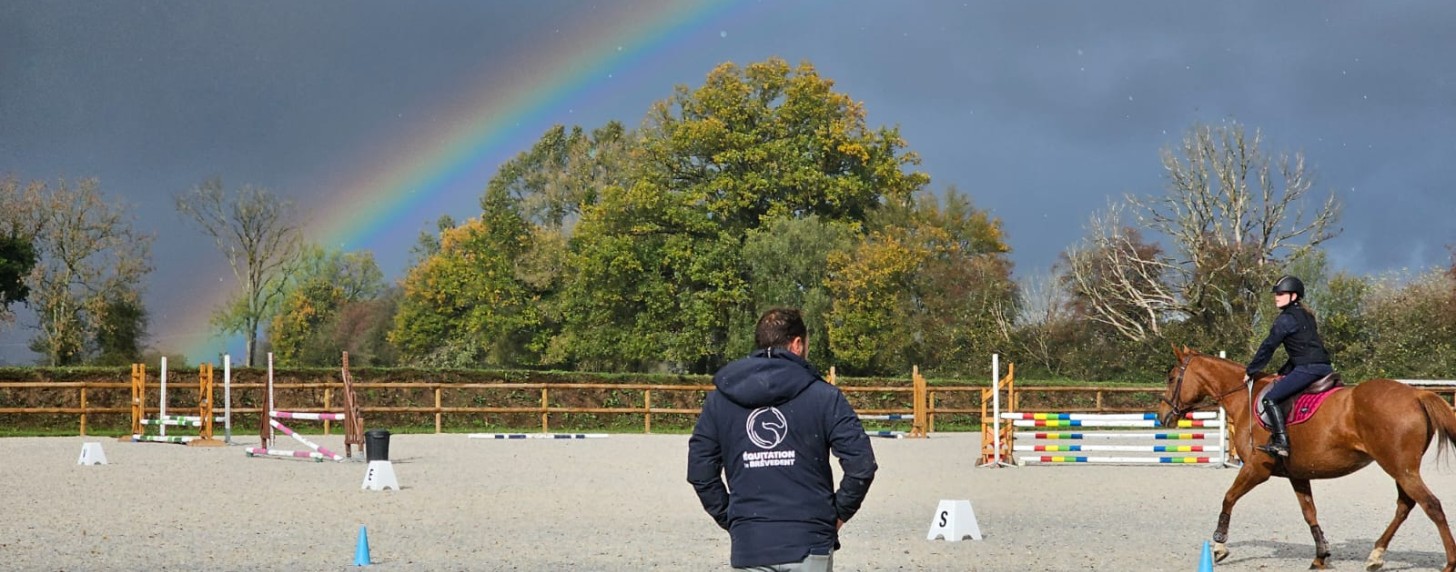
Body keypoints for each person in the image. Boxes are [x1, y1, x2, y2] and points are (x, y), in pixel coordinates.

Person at [687, 308, 877, 572]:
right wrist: (838, 514)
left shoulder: (720, 400)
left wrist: (732, 517)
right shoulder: (824, 396)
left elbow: (700, 472)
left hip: (751, 543)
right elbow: (862, 465)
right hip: (809, 540)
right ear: (797, 344)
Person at [1244, 275, 1334, 458]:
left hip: (1308, 369)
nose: (1276, 296)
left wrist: (1251, 370)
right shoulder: (1307, 316)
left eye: (1281, 293)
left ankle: (1281, 442)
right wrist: (1284, 371)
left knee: (1270, 399)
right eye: (1276, 293)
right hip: (1324, 367)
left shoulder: (1286, 319)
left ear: (1294, 296)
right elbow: (1303, 348)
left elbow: (1268, 346)